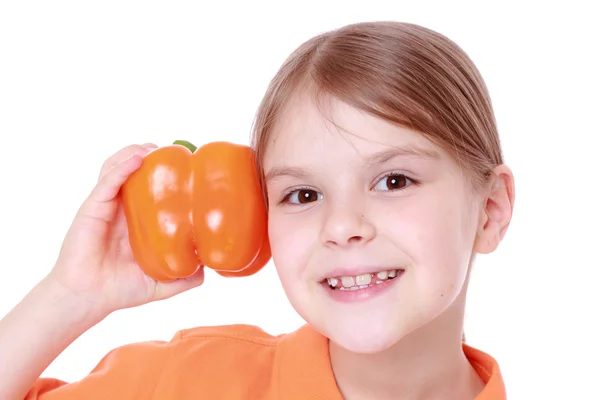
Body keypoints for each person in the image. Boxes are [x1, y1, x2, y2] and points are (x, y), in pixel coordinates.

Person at [0, 20, 515, 399]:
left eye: (393, 180)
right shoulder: (188, 383)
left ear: (490, 210)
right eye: (304, 195)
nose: (341, 227)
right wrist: (71, 295)